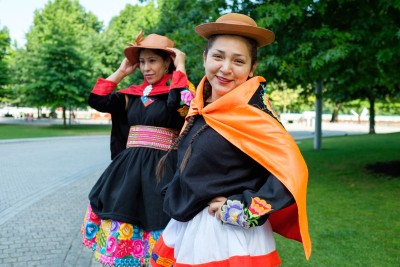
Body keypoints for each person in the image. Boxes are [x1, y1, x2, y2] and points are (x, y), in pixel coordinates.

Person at [150, 13, 311, 267]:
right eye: (218, 56)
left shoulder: (255, 116)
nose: (225, 68)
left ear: (251, 68)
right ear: (205, 58)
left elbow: (294, 173)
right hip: (189, 230)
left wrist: (241, 209)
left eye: (238, 61)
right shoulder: (201, 106)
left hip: (227, 239)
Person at [81, 30, 194, 267]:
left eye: (152, 61)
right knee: (125, 215)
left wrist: (181, 67)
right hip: (128, 172)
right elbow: (97, 100)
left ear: (168, 63)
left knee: (157, 218)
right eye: (141, 62)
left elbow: (181, 106)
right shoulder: (131, 95)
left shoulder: (181, 93)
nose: (145, 68)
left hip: (162, 171)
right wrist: (122, 71)